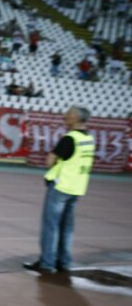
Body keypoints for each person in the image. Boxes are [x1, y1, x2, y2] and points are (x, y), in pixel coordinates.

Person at [24, 106, 94, 274]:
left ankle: (47, 262)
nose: (65, 116)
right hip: (76, 187)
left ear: (77, 118)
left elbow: (50, 160)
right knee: (67, 227)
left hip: (61, 186)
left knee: (51, 225)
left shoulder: (70, 138)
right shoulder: (89, 139)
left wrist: (53, 163)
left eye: (68, 114)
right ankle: (64, 261)